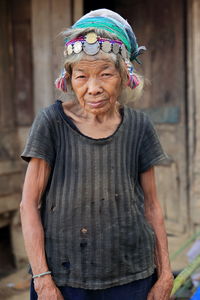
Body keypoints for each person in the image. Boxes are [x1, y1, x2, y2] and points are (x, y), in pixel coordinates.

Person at [20, 8, 174, 300]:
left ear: (124, 75)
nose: (93, 88)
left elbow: (152, 206)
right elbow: (28, 204)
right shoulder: (51, 123)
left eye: (105, 74)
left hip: (134, 277)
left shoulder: (139, 126)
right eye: (81, 77)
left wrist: (165, 274)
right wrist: (42, 280)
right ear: (68, 78)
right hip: (65, 279)